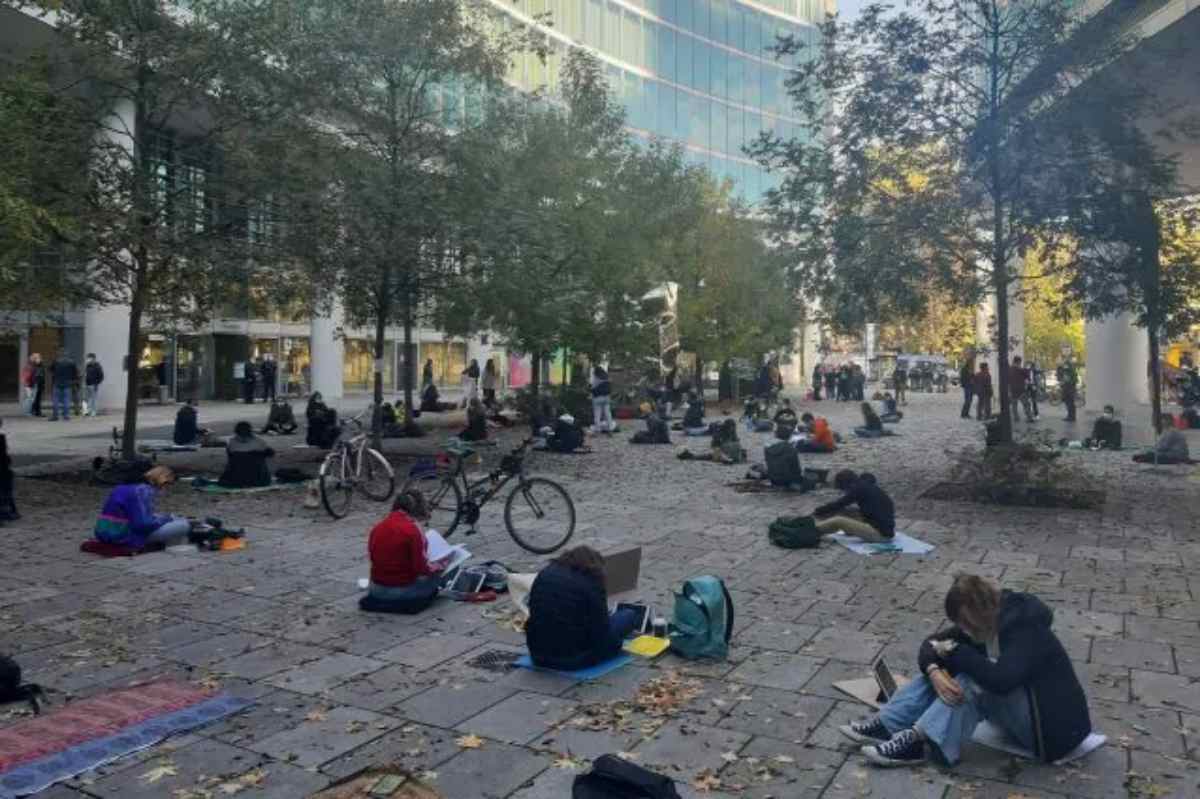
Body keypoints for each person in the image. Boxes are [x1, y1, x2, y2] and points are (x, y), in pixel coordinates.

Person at [840, 574, 1091, 768]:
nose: (964, 629)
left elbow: (1002, 681)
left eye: (965, 622)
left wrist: (956, 652)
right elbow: (931, 644)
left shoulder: (1025, 627)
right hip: (1024, 714)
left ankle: (918, 742)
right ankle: (888, 724)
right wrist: (935, 671)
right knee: (945, 669)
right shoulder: (984, 621)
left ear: (981, 609)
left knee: (970, 677)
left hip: (1053, 734)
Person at [526, 545, 640, 672]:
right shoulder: (592, 582)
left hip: (537, 655)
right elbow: (602, 634)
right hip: (573, 659)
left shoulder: (545, 573)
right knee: (628, 615)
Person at [367, 490, 446, 601]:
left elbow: (373, 557)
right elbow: (421, 568)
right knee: (444, 574)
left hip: (376, 589)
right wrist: (440, 566)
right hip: (401, 592)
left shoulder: (377, 528)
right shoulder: (413, 530)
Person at [93, 465, 190, 549]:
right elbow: (142, 525)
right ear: (163, 482)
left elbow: (134, 513)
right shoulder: (143, 491)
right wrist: (166, 519)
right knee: (184, 524)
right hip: (123, 536)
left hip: (104, 532)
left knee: (169, 518)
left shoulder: (122, 487)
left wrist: (160, 517)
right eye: (168, 484)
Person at [813, 470, 895, 542]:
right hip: (884, 528)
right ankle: (825, 528)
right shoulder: (866, 485)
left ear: (847, 484)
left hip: (881, 535)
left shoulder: (858, 489)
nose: (846, 492)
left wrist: (818, 511)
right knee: (848, 511)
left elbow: (839, 504)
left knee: (838, 520)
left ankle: (811, 531)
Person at [219, 422, 275, 488]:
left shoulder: (232, 443)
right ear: (250, 432)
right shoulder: (259, 442)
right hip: (259, 479)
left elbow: (230, 457)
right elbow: (271, 453)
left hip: (236, 480)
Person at [49, 349, 78, 421]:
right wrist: (73, 380)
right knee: (66, 400)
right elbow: (75, 373)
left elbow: (50, 369)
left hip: (57, 382)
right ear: (67, 355)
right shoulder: (72, 362)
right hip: (67, 383)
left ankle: (55, 416)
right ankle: (66, 415)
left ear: (59, 354)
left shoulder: (56, 361)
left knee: (55, 400)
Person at [0, 420, 18, 524]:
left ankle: (7, 513)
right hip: (3, 469)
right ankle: (10, 512)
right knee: (6, 492)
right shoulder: (1, 438)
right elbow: (5, 457)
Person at [1009, 356, 1034, 423]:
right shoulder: (1021, 370)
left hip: (1012, 390)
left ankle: (1016, 418)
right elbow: (1028, 376)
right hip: (1021, 390)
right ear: (1019, 362)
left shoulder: (1009, 369)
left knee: (1014, 405)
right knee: (1026, 404)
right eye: (1020, 362)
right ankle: (1029, 417)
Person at [591, 365, 613, 433]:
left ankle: (597, 429)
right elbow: (610, 389)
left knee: (597, 414)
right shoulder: (607, 377)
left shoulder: (596, 378)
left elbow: (593, 388)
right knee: (608, 414)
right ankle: (610, 429)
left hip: (597, 398)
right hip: (606, 398)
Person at [1056, 358, 1078, 422]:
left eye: (1059, 361)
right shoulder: (1062, 368)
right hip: (1066, 388)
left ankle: (1071, 417)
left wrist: (1067, 381)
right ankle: (1070, 416)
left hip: (1069, 388)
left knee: (1070, 403)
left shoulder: (1068, 367)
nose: (1058, 362)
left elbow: (1070, 378)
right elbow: (1059, 377)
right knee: (1068, 403)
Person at [83, 353, 104, 417]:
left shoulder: (97, 366)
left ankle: (93, 412)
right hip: (87, 384)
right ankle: (86, 411)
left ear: (93, 358)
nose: (88, 359)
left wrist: (96, 383)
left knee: (94, 399)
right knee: (86, 399)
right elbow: (85, 374)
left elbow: (101, 376)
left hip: (93, 384)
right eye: (88, 358)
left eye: (89, 358)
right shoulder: (87, 366)